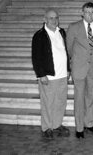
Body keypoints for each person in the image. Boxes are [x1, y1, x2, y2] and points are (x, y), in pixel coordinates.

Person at [66, 2, 93, 138]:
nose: (90, 15)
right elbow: (69, 48)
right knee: (79, 98)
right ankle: (79, 127)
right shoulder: (73, 27)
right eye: (87, 12)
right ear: (82, 13)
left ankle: (89, 124)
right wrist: (75, 61)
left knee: (91, 97)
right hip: (79, 68)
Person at [32, 9, 71, 140]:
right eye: (51, 18)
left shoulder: (61, 32)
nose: (54, 20)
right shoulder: (40, 35)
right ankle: (47, 127)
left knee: (60, 102)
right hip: (48, 75)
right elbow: (36, 57)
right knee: (48, 102)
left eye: (56, 18)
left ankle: (57, 124)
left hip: (62, 75)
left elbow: (66, 52)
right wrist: (41, 74)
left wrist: (68, 69)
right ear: (45, 19)